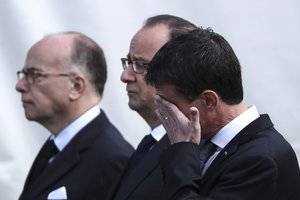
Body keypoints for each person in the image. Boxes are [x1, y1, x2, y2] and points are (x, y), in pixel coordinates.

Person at [145, 28, 300, 199]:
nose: (164, 113)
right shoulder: (204, 140)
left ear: (209, 101)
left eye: (170, 105)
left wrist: (181, 150)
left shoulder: (260, 159)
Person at [16, 31, 134, 200]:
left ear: (76, 86)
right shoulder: (56, 147)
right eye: (24, 75)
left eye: (35, 75)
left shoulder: (112, 161)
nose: (20, 86)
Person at [111, 15, 197, 200]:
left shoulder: (194, 151)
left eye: (141, 65)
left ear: (182, 71)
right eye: (128, 62)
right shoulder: (149, 146)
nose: (125, 76)